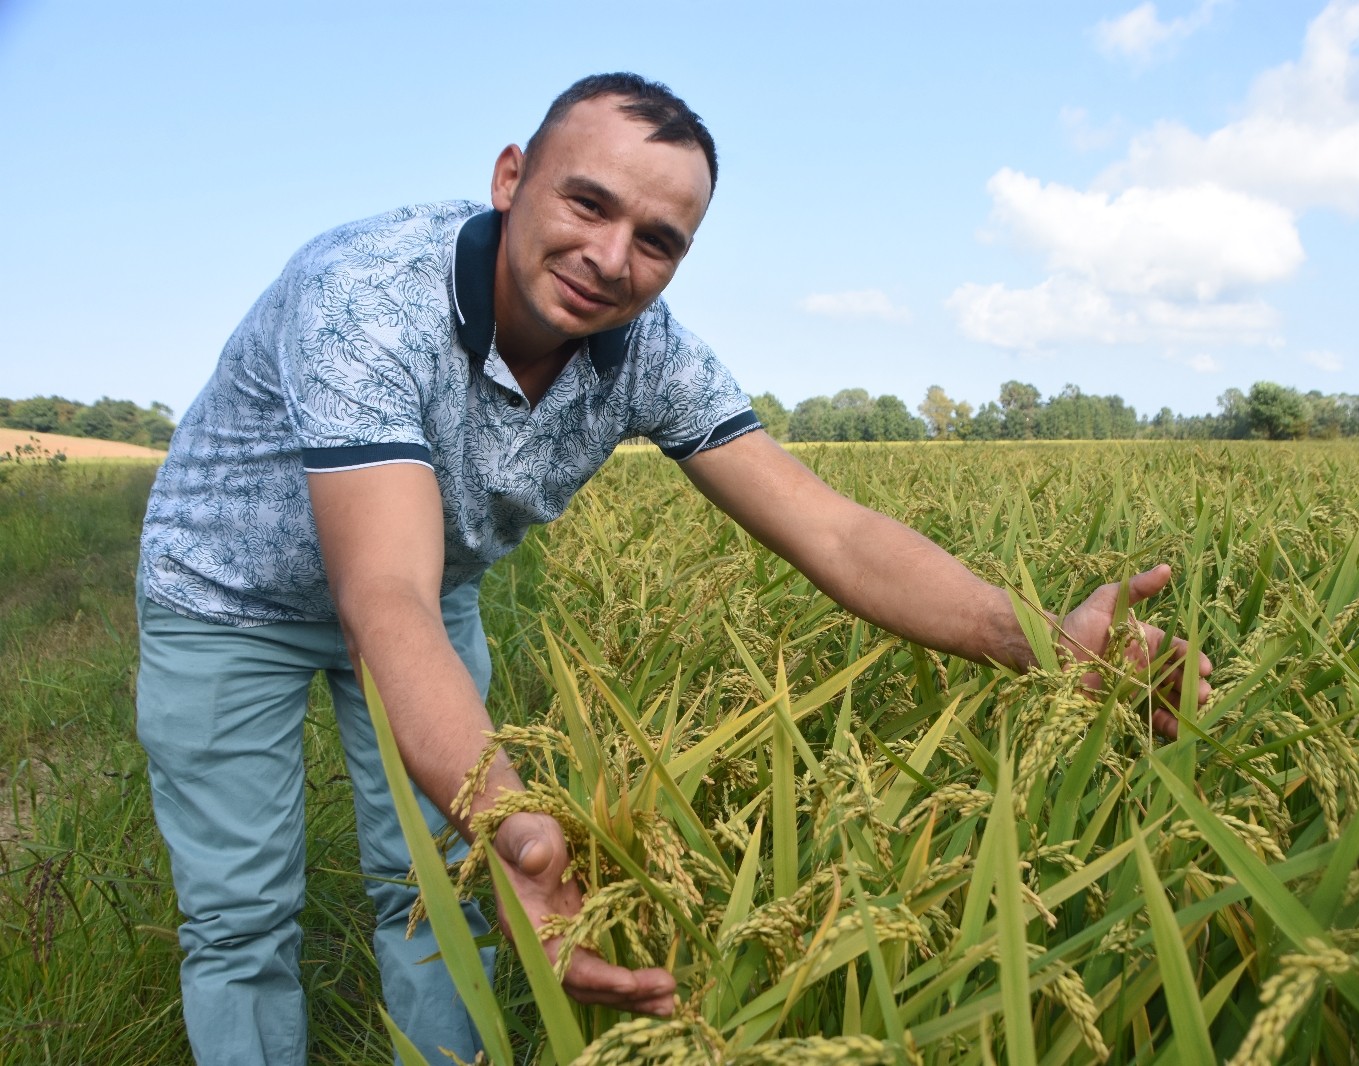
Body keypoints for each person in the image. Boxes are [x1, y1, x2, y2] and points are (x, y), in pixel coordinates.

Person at [136, 72, 1211, 1065]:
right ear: (512, 179)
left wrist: (1028, 632)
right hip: (234, 597)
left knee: (441, 883)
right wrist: (510, 812)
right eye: (587, 205)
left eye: (658, 239)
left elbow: (829, 530)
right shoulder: (369, 296)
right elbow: (380, 592)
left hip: (432, 587)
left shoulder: (651, 353)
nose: (613, 258)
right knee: (242, 915)